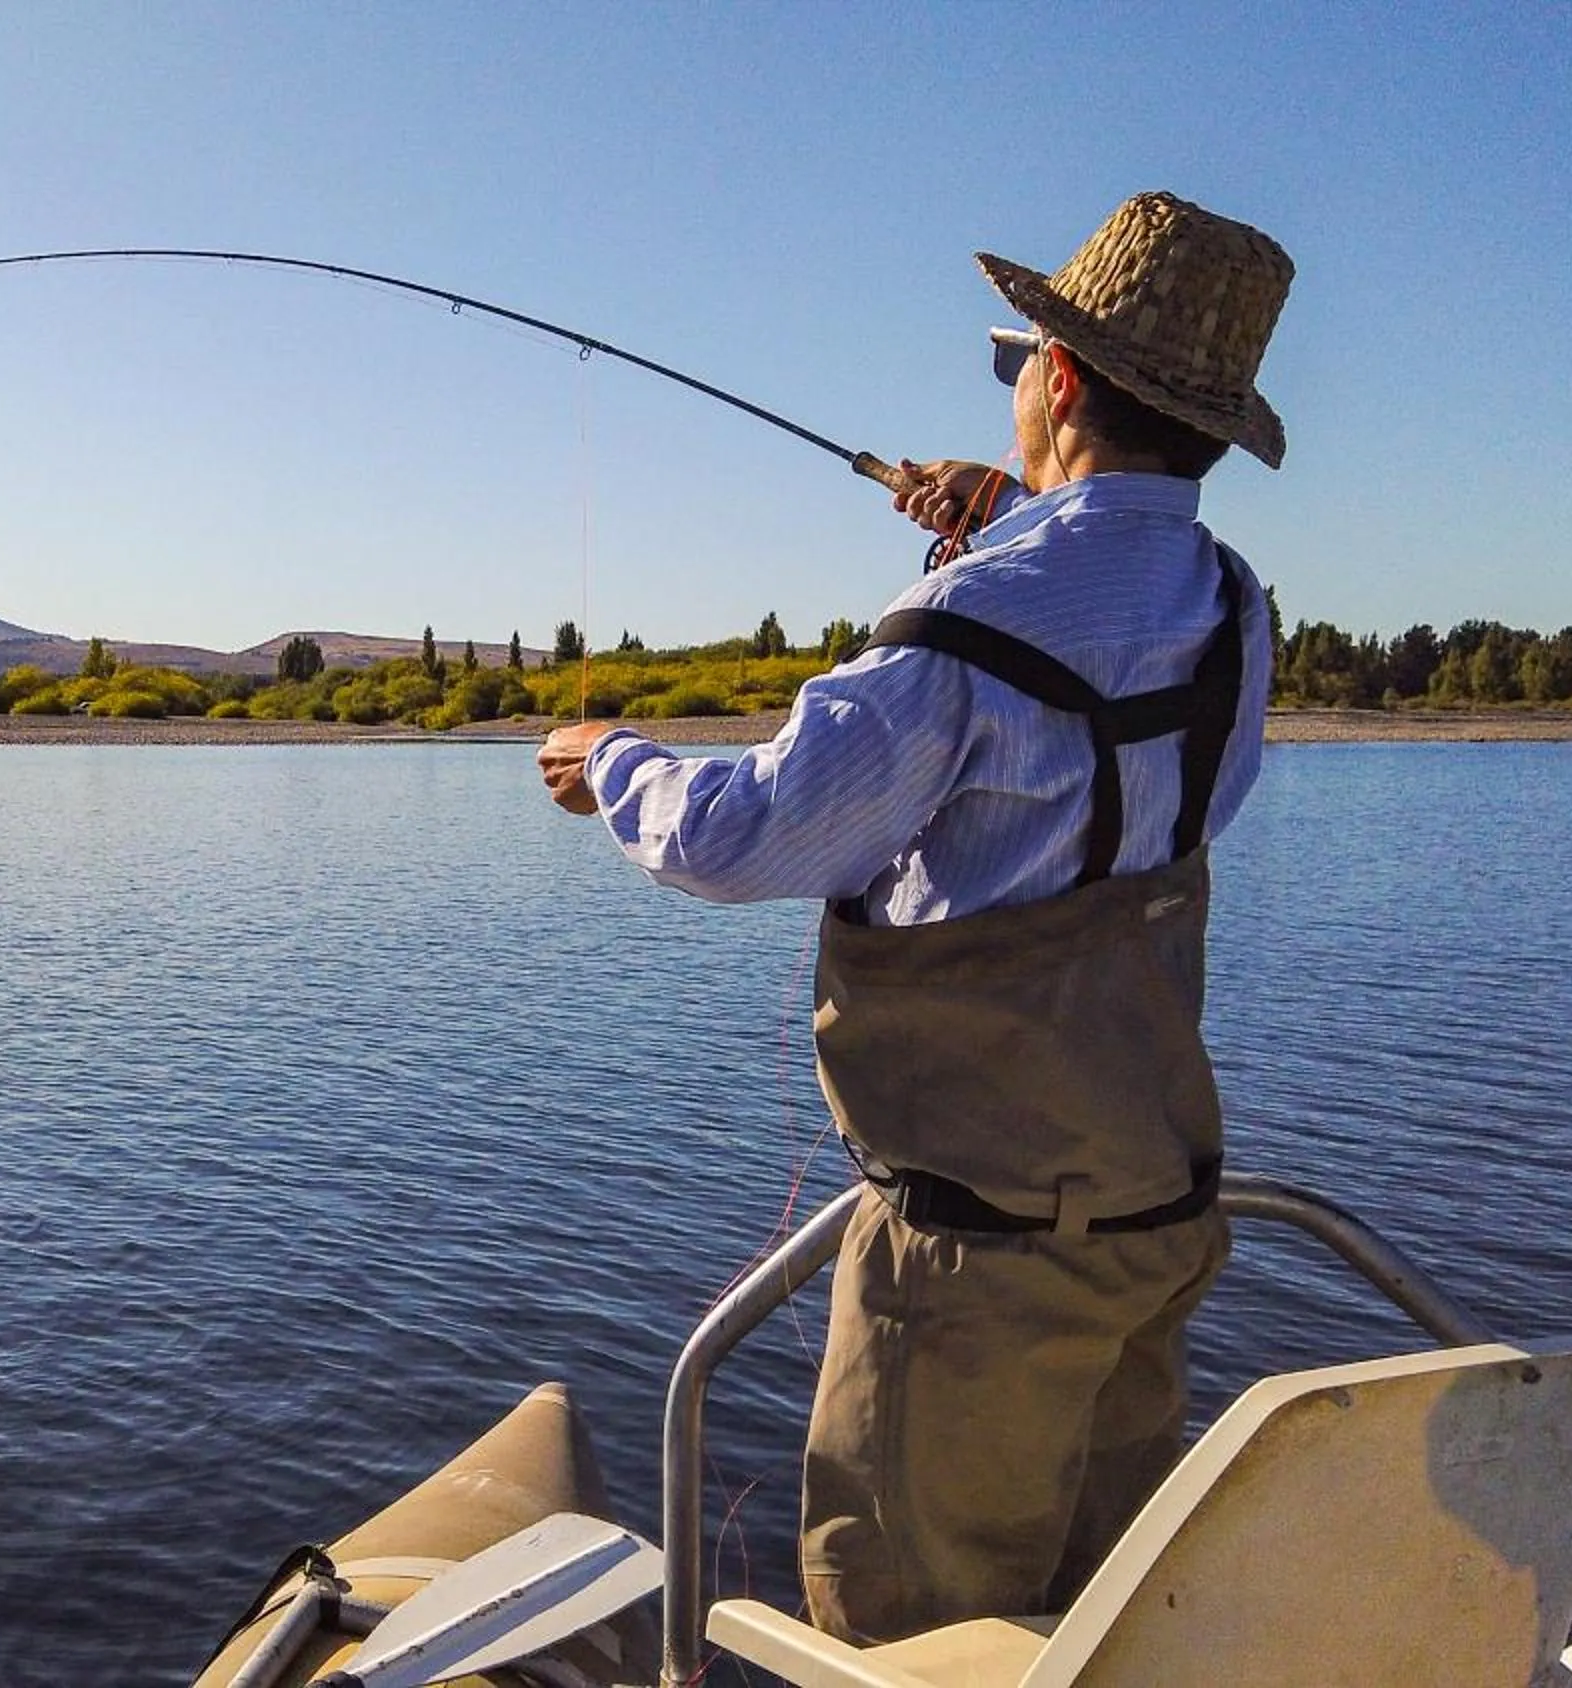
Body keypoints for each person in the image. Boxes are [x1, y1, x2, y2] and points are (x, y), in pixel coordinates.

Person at [537, 191, 1293, 1643]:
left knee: (908, 1639)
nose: (1013, 382)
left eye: (1020, 358)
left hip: (974, 1271)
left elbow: (736, 838)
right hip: (1157, 1226)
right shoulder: (1238, 614)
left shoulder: (955, 633)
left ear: (1061, 380)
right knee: (1105, 1628)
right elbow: (1108, 664)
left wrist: (606, 763)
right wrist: (1009, 510)